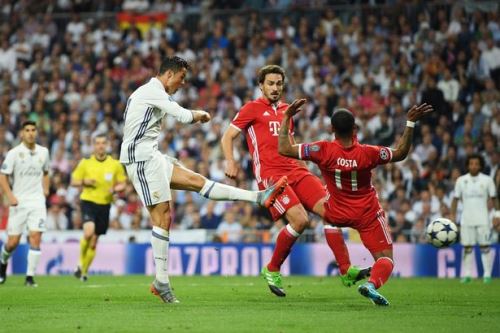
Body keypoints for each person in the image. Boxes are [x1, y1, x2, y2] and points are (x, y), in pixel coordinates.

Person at [119, 56, 286, 304]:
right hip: (141, 160)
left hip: (152, 156)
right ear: (168, 75)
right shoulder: (152, 91)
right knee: (163, 217)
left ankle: (257, 197)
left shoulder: (149, 92)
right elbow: (182, 116)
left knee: (198, 182)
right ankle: (162, 282)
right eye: (181, 77)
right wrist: (200, 114)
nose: (183, 83)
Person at [221, 64, 368, 297]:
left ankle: (346, 269)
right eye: (270, 83)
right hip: (271, 175)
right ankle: (272, 269)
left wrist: (304, 168)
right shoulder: (251, 108)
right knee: (300, 221)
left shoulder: (287, 111)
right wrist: (230, 161)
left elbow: (288, 143)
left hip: (296, 171)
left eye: (279, 83)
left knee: (333, 212)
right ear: (261, 85)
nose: (275, 88)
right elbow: (227, 136)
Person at [278, 99, 433, 306]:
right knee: (385, 259)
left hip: (337, 212)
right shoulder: (369, 153)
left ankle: (345, 268)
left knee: (323, 210)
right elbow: (400, 153)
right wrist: (410, 123)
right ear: (355, 128)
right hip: (368, 214)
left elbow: (284, 148)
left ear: (332, 129)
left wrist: (287, 116)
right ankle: (370, 285)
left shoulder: (321, 150)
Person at [70, 134, 127, 281]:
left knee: (94, 241)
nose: (100, 146)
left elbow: (123, 183)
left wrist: (115, 189)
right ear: (93, 146)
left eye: (103, 143)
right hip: (88, 202)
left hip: (105, 205)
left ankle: (84, 272)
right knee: (88, 233)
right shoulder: (85, 163)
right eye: (98, 143)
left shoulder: (115, 164)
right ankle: (79, 263)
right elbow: (74, 181)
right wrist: (84, 181)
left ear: (107, 145)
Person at [0, 121, 50, 287]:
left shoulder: (44, 152)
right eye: (27, 130)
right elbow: (3, 176)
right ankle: (2, 262)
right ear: (22, 133)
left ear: (36, 132)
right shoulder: (14, 153)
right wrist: (10, 195)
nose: (30, 133)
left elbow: (46, 172)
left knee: (36, 237)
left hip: (37, 202)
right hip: (19, 202)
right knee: (13, 242)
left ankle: (30, 277)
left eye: (33, 130)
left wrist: (46, 189)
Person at [450, 154, 499, 284]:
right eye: (471, 163)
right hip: (466, 219)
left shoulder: (487, 180)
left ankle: (487, 275)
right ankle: (467, 275)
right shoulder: (461, 180)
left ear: (481, 165)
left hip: (483, 219)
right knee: (467, 247)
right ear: (467, 165)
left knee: (485, 246)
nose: (474, 166)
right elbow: (455, 199)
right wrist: (452, 216)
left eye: (476, 164)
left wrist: (497, 215)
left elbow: (494, 198)